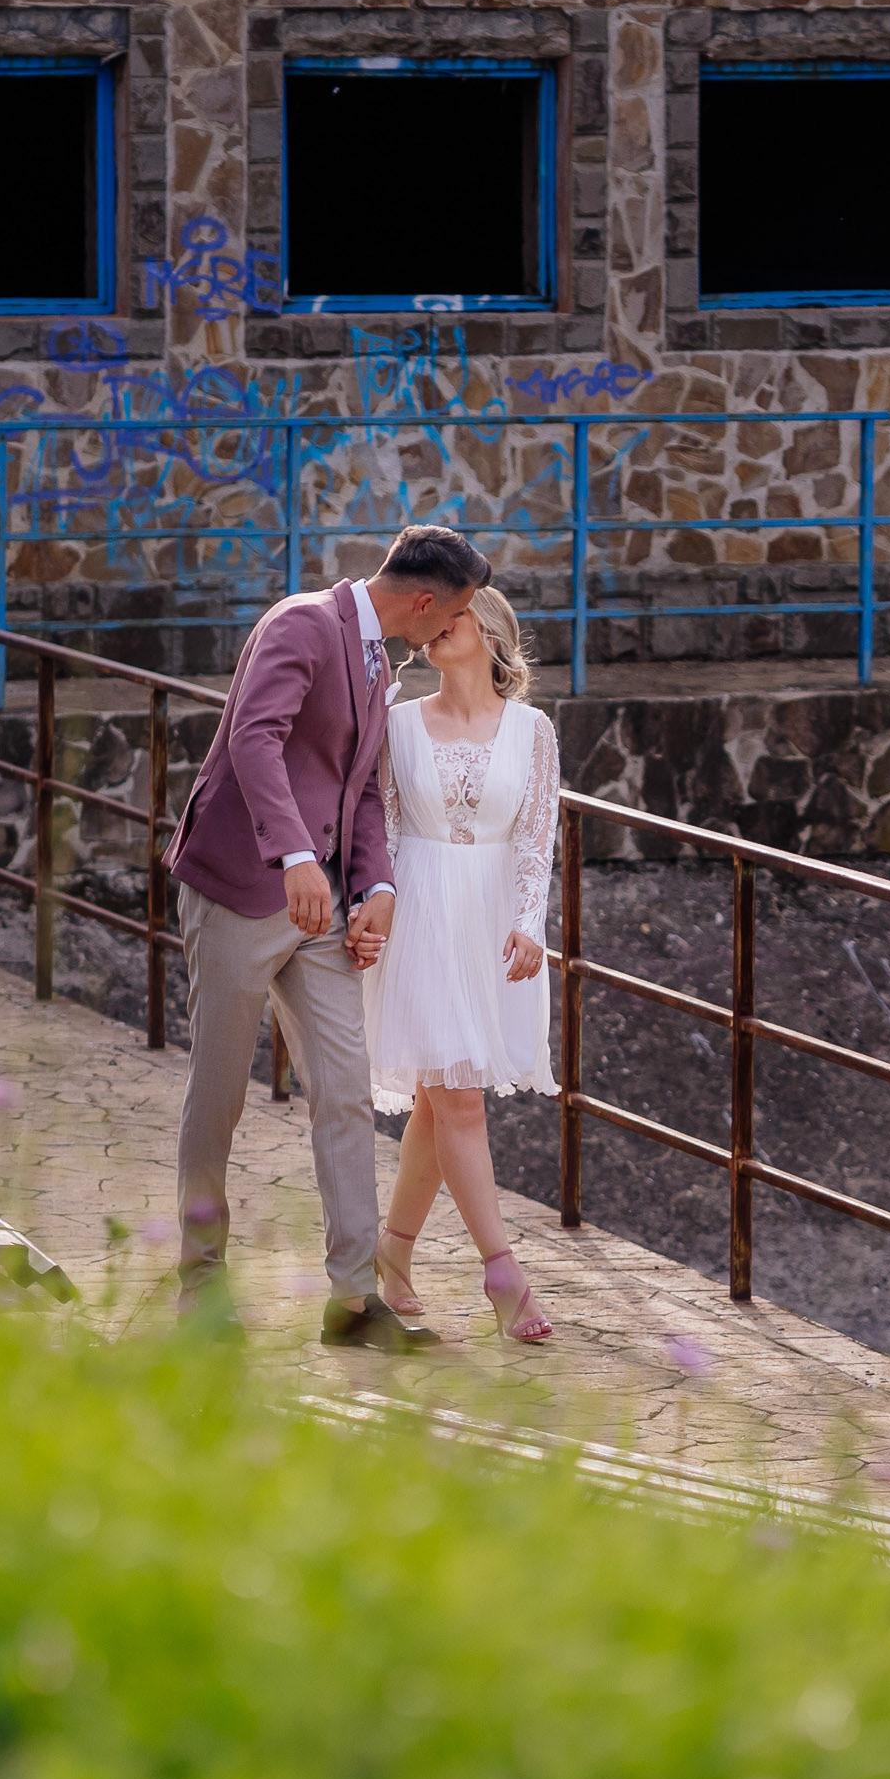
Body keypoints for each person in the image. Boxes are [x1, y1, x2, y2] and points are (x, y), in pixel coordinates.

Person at [167, 523, 489, 1347]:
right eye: (455, 611)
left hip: (321, 911)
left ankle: (352, 1302)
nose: (455, 626)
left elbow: (363, 788)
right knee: (219, 1094)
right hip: (240, 888)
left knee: (345, 1090)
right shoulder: (302, 623)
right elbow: (254, 738)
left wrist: (375, 885)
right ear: (426, 601)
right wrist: (296, 856)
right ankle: (201, 1287)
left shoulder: (383, 658)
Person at [362, 583, 561, 1344]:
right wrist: (369, 906)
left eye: (455, 616)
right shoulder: (398, 723)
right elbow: (379, 831)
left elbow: (536, 839)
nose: (438, 626)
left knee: (440, 1099)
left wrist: (529, 924)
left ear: (490, 633)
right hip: (419, 920)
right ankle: (503, 1276)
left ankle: (392, 1251)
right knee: (461, 1102)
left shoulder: (533, 731)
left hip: (492, 929)